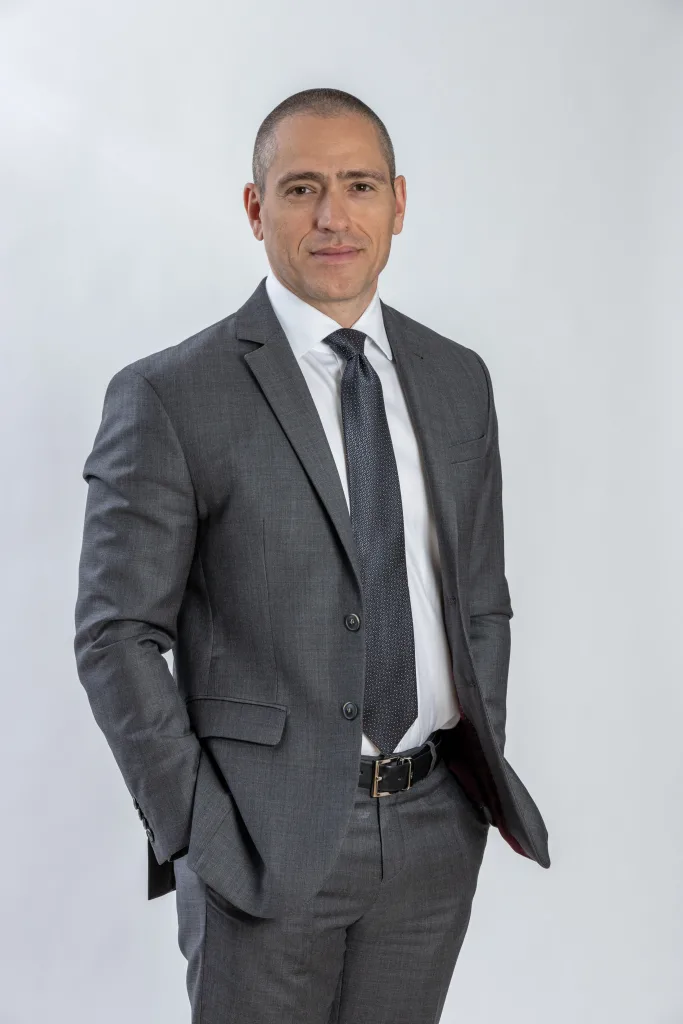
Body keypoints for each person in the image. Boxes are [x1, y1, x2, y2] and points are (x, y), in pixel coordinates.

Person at [74, 86, 550, 1024]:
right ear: (256, 209)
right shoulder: (171, 395)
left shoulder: (457, 378)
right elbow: (115, 636)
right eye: (301, 189)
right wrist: (199, 830)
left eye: (359, 185)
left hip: (431, 833)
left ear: (397, 204)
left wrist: (470, 767)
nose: (333, 215)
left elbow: (480, 599)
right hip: (261, 844)